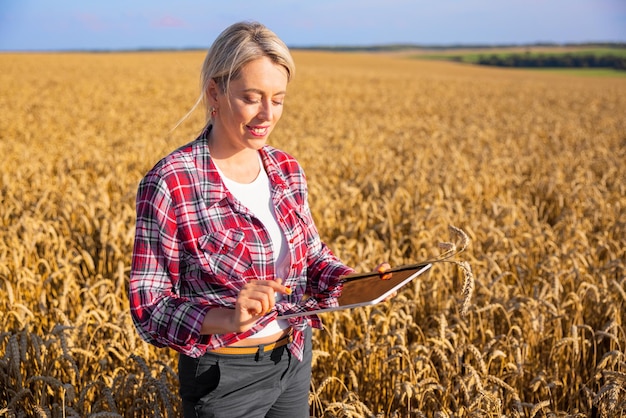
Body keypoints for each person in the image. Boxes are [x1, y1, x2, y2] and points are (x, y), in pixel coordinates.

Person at [129, 21, 389, 418]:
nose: (267, 114)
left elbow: (313, 258)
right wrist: (228, 316)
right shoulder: (171, 181)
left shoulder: (286, 169)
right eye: (251, 98)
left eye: (279, 100)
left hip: (293, 359)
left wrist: (356, 283)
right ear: (214, 92)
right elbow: (150, 308)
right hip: (224, 378)